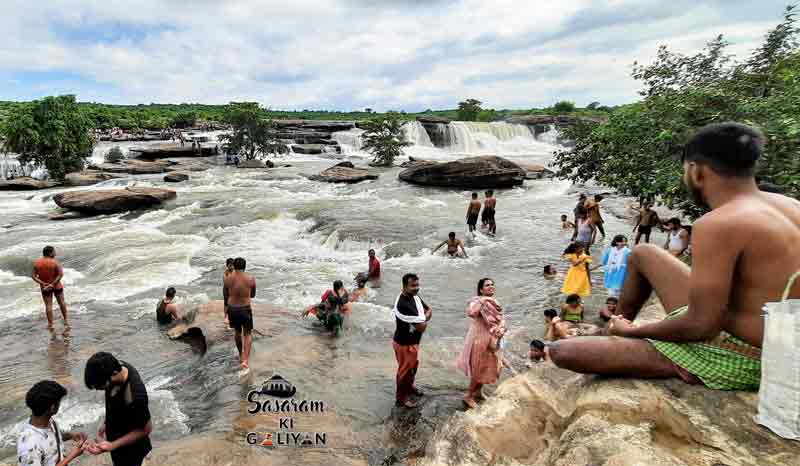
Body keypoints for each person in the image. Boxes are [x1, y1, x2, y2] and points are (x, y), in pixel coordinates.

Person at [548, 122, 800, 391]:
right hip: (768, 333)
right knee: (643, 253)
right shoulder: (791, 205)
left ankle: (664, 355)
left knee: (563, 351)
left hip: (753, 355)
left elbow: (702, 326)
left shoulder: (719, 223)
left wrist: (636, 333)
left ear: (696, 170)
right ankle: (615, 327)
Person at [83, 353, 152, 466]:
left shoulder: (135, 396)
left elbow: (146, 429)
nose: (99, 389)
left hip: (133, 451)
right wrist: (106, 422)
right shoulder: (116, 366)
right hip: (118, 444)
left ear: (114, 373)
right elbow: (112, 398)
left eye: (100, 386)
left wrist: (112, 445)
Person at [456, 278, 507, 409]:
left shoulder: (495, 302)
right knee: (478, 367)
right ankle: (468, 396)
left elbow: (501, 319)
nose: (491, 286)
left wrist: (501, 327)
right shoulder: (476, 301)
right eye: (487, 285)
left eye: (492, 284)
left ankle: (478, 392)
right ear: (481, 289)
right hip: (478, 338)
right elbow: (472, 313)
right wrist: (482, 300)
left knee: (487, 365)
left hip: (491, 337)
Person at [17, 380, 87, 466]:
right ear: (52, 408)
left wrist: (71, 435)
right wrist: (72, 455)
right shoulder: (29, 444)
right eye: (59, 402)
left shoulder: (48, 421)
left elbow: (52, 437)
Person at [392, 273, 432, 408]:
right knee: (404, 371)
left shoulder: (414, 297)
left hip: (414, 342)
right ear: (404, 286)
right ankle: (401, 398)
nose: (416, 288)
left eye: (417, 285)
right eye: (413, 286)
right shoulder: (403, 303)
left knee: (413, 367)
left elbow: (429, 310)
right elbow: (422, 327)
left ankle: (409, 387)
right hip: (404, 343)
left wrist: (422, 318)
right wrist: (423, 319)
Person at [223, 257, 256, 370]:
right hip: (245, 308)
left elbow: (227, 294)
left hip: (232, 308)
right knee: (247, 334)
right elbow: (252, 295)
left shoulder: (227, 279)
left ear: (234, 266)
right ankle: (246, 360)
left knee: (237, 332)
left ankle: (240, 354)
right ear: (244, 266)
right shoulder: (251, 279)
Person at [32, 246, 68, 328]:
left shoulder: (37, 263)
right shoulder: (55, 262)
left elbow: (33, 276)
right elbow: (60, 275)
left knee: (48, 305)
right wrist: (52, 284)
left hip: (44, 287)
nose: (55, 253)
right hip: (57, 286)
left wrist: (43, 283)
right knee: (61, 302)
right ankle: (65, 320)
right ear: (50, 253)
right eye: (54, 252)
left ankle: (50, 324)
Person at [222, 258, 234, 322]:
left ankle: (232, 316)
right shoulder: (226, 273)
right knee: (226, 303)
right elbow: (225, 282)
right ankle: (225, 316)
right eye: (230, 265)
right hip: (226, 290)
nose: (231, 267)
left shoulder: (235, 272)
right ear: (227, 265)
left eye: (232, 265)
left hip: (233, 289)